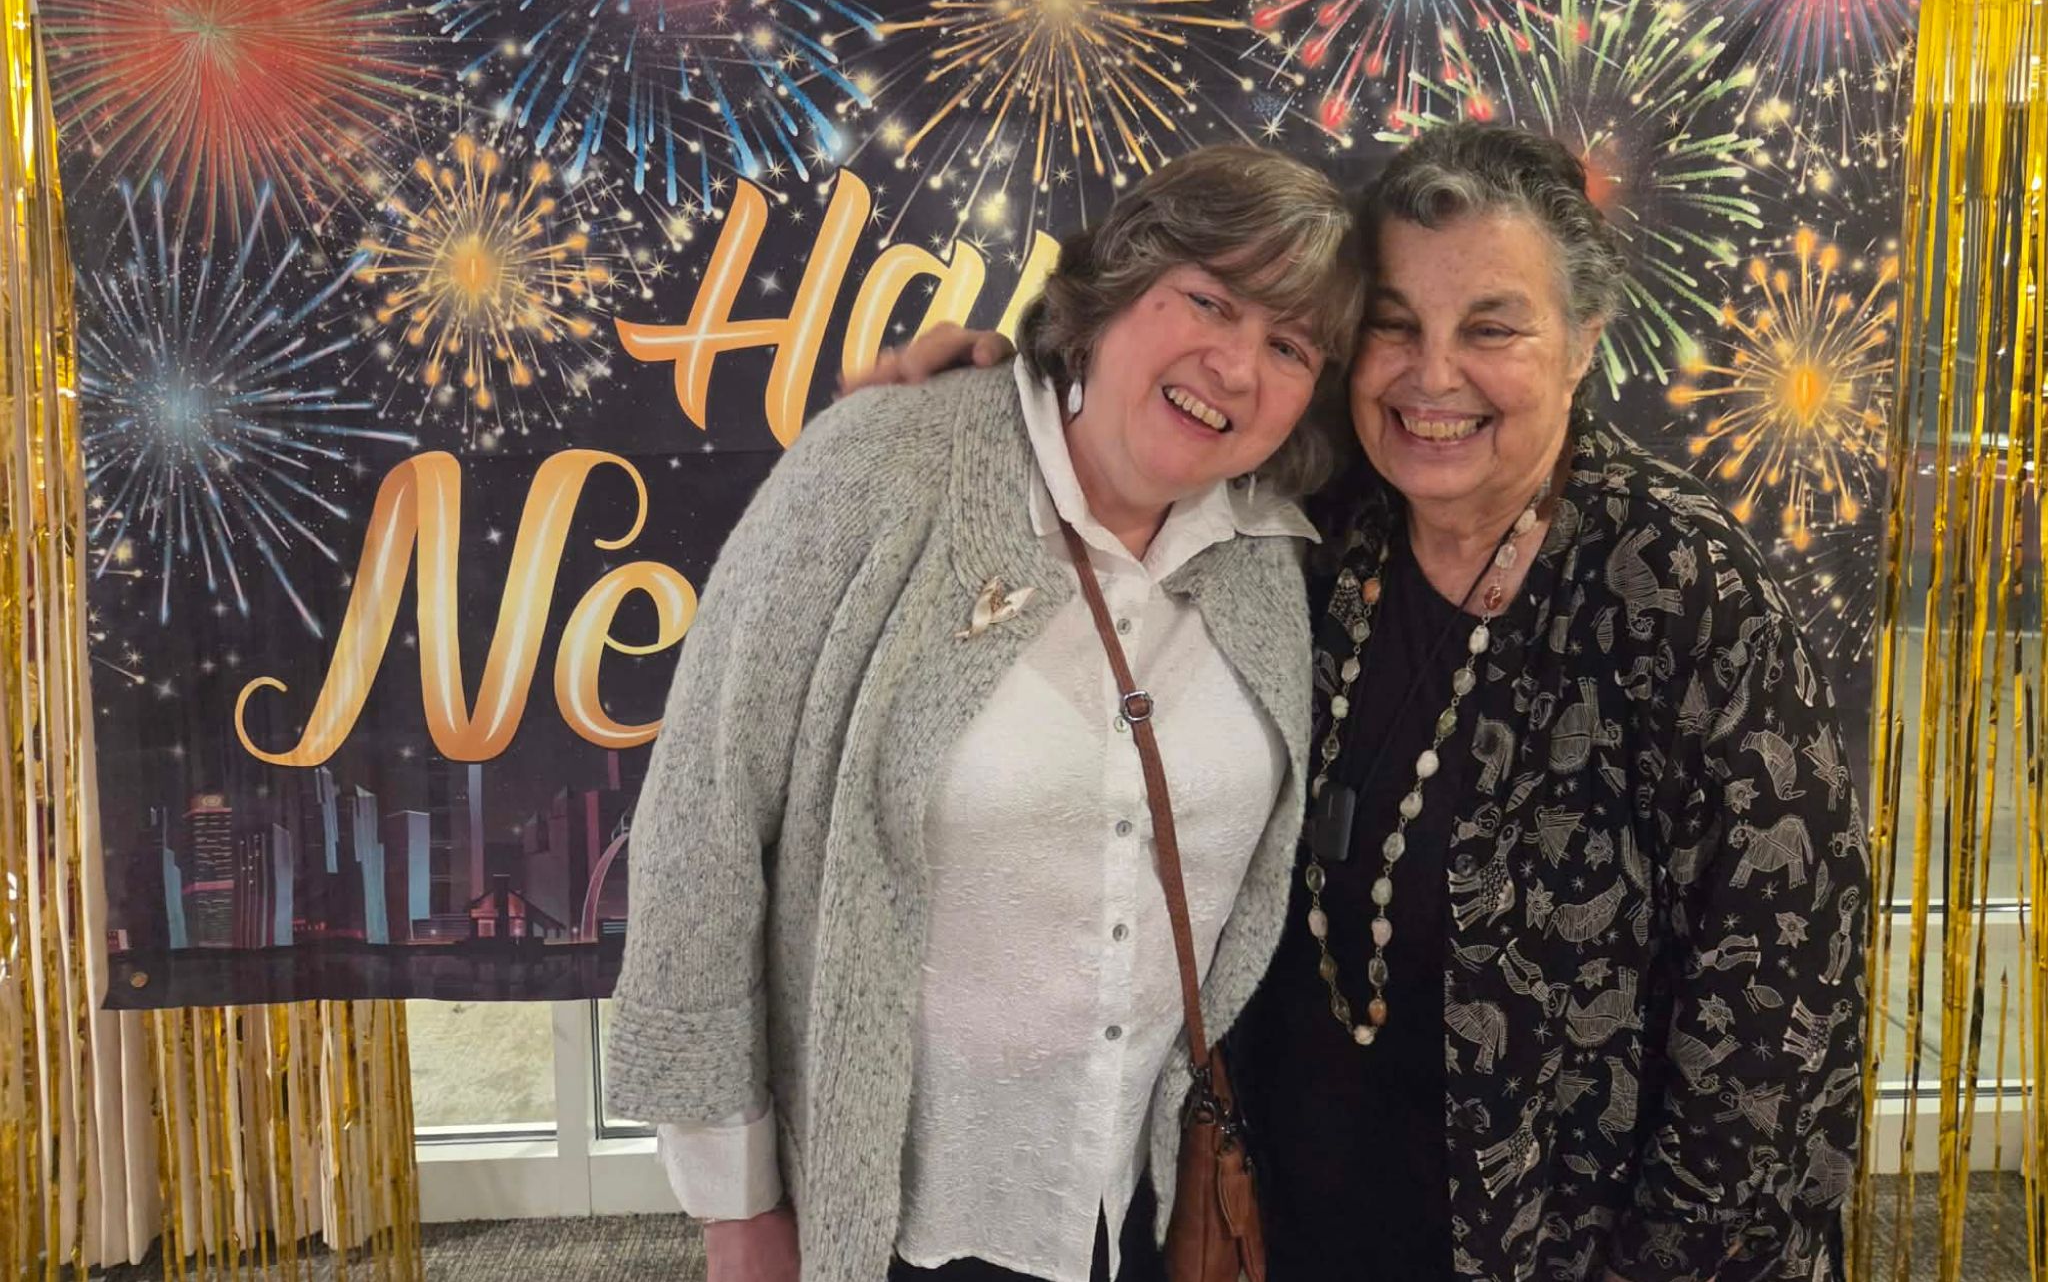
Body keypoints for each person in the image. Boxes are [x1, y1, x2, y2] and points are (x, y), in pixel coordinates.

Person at [856, 122, 1869, 1282]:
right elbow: (1102, 451)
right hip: (1285, 1230)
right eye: (1393, 326)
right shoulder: (1308, 534)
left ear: (1581, 345)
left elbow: (1773, 1022)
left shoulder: (1682, 593)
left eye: (1490, 327)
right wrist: (971, 406)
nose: (1433, 376)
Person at [606, 143, 1367, 1282]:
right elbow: (700, 830)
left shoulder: (1279, 550)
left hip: (1140, 1204)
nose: (1236, 364)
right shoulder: (881, 466)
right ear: (1113, 289)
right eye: (1208, 299)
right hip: (891, 1214)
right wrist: (734, 1203)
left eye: (1289, 344)